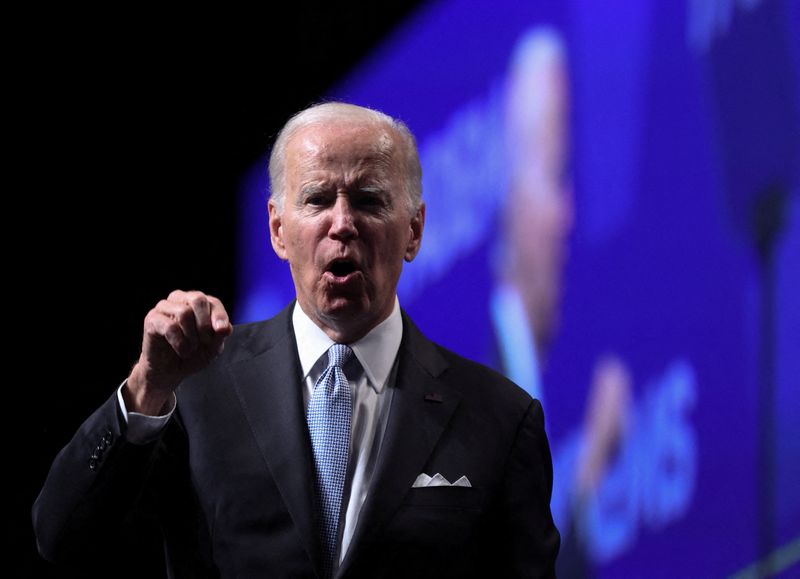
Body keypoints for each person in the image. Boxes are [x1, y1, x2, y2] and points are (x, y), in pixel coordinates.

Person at [33, 102, 560, 578]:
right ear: (278, 230)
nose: (342, 224)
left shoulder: (500, 417)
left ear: (415, 231)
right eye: (316, 200)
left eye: (369, 200)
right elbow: (64, 537)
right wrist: (147, 388)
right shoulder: (195, 387)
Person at [491, 28, 632, 577]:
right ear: (511, 202)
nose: (570, 215)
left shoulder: (556, 373)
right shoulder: (471, 405)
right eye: (555, 176)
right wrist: (591, 475)